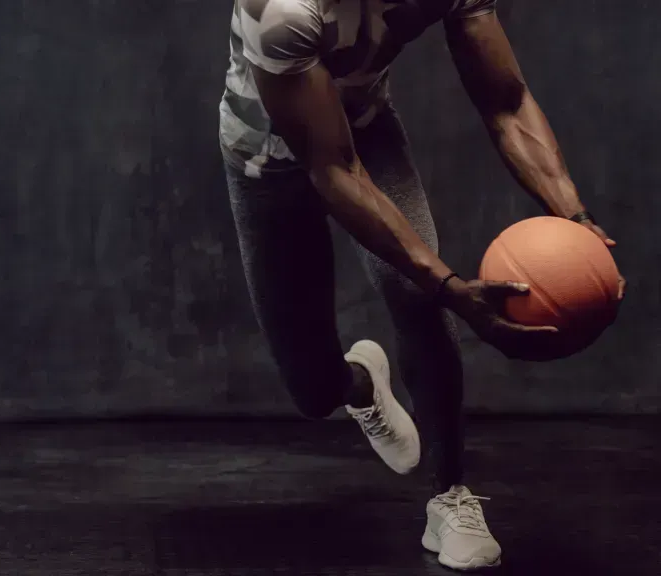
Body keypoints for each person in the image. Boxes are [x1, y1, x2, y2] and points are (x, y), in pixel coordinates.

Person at [218, 0, 626, 570]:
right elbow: (332, 170)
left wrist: (575, 223)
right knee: (312, 390)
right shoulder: (284, 10)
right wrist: (453, 284)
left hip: (365, 131)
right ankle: (361, 385)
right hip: (268, 161)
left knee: (417, 297)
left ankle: (450, 495)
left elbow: (505, 102)